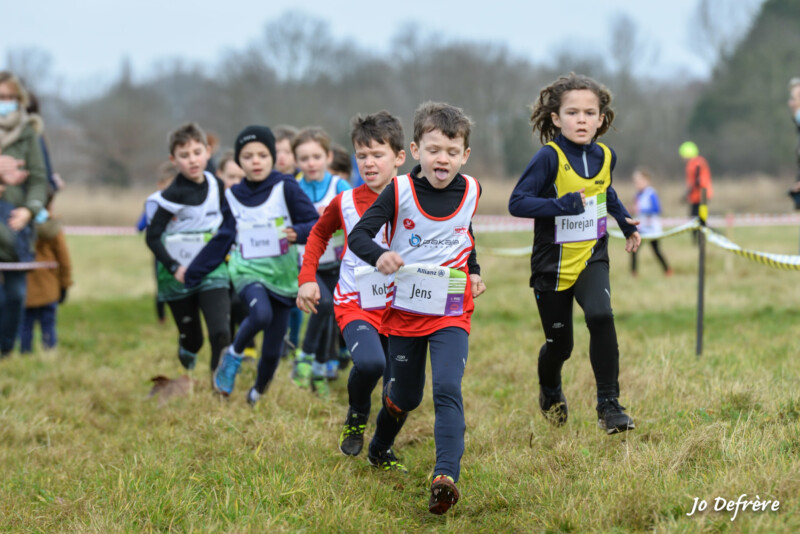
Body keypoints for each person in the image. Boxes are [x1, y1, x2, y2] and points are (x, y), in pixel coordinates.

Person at [348, 102, 486, 515]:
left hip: (450, 310)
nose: (442, 158)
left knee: (447, 387)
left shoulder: (473, 190)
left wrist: (474, 271)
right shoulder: (399, 191)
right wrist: (380, 256)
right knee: (405, 397)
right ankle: (379, 446)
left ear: (464, 155)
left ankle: (445, 477)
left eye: (451, 150)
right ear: (416, 150)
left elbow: (464, 234)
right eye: (433, 149)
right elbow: (359, 237)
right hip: (406, 312)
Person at [508, 73, 640, 436]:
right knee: (560, 346)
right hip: (552, 265)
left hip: (591, 255)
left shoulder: (607, 156)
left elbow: (605, 191)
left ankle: (609, 405)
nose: (581, 119)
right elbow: (517, 202)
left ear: (601, 119)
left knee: (601, 315)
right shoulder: (548, 158)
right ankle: (550, 387)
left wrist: (625, 222)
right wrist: (559, 205)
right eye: (572, 112)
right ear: (556, 118)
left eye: (589, 112)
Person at [296, 110, 406, 457]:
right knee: (371, 365)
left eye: (378, 155)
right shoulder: (344, 202)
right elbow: (317, 234)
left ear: (399, 157)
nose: (369, 163)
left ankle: (382, 448)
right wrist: (307, 279)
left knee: (399, 387)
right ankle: (357, 416)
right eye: (362, 156)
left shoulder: (416, 199)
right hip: (356, 302)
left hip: (403, 305)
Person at [184, 125, 318, 405]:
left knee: (271, 352)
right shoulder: (232, 196)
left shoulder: (286, 187)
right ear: (239, 161)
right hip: (248, 272)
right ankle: (232, 356)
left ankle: (255, 395)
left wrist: (300, 232)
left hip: (282, 277)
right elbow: (222, 239)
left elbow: (314, 223)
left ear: (272, 156)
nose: (255, 161)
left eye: (261, 155)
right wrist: (192, 272)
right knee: (260, 315)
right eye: (247, 156)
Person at [145, 123, 231, 375]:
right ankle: (187, 350)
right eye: (184, 155)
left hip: (212, 269)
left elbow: (228, 223)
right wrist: (174, 267)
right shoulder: (171, 195)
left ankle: (219, 387)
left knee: (221, 332)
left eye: (197, 152)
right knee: (194, 339)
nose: (192, 160)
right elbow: (152, 237)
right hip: (177, 274)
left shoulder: (217, 185)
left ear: (207, 151)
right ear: (174, 160)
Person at [290, 127, 352, 397]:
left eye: (316, 156)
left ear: (328, 156)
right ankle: (303, 358)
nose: (311, 163)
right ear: (296, 161)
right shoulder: (292, 187)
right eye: (304, 158)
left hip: (336, 264)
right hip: (308, 264)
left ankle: (321, 369)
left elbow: (354, 220)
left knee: (331, 312)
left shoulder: (339, 186)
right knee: (322, 303)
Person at [0, 71, 48, 357]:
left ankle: (6, 350)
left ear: (20, 100)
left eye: (9, 97)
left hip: (17, 224)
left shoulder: (29, 133)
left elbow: (39, 179)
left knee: (17, 295)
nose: (4, 102)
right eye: (0, 97)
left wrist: (29, 211)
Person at [20, 192, 72, 353]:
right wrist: (64, 285)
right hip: (49, 288)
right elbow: (64, 260)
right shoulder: (53, 228)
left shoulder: (20, 224)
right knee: (48, 324)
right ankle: (49, 353)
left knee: (25, 326)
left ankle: (25, 355)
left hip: (26, 288)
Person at [273, 125, 304, 360]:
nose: (281, 157)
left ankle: (293, 340)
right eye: (276, 151)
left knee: (296, 298)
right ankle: (279, 337)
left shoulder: (302, 183)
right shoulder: (268, 184)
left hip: (301, 249)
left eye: (287, 151)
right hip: (275, 250)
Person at [137, 162, 176, 324]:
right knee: (161, 284)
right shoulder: (153, 203)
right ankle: (161, 317)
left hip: (179, 250)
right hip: (160, 252)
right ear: (159, 185)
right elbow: (139, 226)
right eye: (168, 185)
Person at [630, 168, 672, 277]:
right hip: (641, 229)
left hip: (653, 229)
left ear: (647, 181)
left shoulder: (651, 193)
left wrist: (641, 210)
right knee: (634, 250)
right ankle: (634, 273)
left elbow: (657, 209)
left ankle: (668, 270)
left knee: (657, 251)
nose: (637, 184)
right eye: (635, 181)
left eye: (639, 181)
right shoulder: (637, 195)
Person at [679, 140, 712, 220]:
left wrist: (687, 193)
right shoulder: (698, 162)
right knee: (698, 221)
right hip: (698, 196)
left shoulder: (695, 163)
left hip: (700, 196)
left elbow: (697, 181)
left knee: (697, 221)